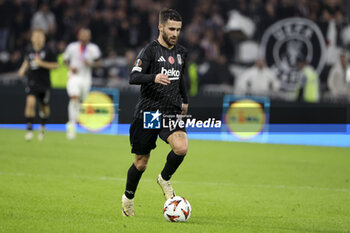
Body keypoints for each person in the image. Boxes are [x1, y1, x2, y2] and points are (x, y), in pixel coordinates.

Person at [122, 9, 189, 217]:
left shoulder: (181, 52)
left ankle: (164, 178)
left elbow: (181, 78)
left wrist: (185, 100)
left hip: (170, 111)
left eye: (178, 29)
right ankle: (128, 198)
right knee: (141, 163)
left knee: (181, 147)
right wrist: (154, 77)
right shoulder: (149, 51)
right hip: (149, 112)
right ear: (160, 27)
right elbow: (133, 78)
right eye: (171, 29)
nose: (175, 33)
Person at [18, 28, 58, 141]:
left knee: (44, 108)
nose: (38, 39)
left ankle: (43, 126)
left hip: (44, 83)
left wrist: (41, 63)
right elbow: (26, 62)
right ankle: (29, 129)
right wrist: (22, 70)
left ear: (44, 38)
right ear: (31, 38)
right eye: (35, 36)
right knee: (30, 103)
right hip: (32, 81)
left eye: (40, 36)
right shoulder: (29, 50)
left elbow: (55, 65)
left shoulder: (49, 50)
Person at [63, 28, 102, 139]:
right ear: (78, 36)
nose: (84, 36)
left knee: (80, 101)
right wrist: (70, 67)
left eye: (86, 34)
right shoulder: (72, 47)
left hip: (86, 79)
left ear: (90, 36)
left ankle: (73, 120)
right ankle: (72, 125)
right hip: (74, 76)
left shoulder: (93, 49)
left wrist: (91, 63)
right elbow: (65, 59)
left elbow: (99, 63)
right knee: (74, 97)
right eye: (82, 34)